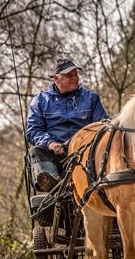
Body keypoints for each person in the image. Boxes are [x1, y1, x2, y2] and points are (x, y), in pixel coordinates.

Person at [26, 58, 108, 192]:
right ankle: (53, 184)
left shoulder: (91, 97)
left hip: (86, 152)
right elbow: (33, 130)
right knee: (36, 151)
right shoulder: (40, 101)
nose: (75, 78)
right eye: (69, 75)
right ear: (55, 79)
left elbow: (102, 125)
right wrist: (50, 143)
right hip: (56, 155)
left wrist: (87, 143)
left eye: (76, 74)